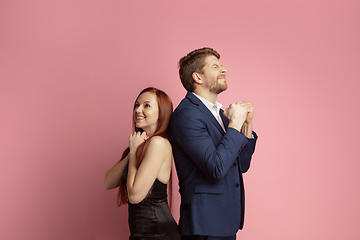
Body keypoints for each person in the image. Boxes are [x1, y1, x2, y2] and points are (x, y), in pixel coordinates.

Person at [169, 47, 258, 240]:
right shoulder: (186, 116)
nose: (223, 70)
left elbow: (241, 165)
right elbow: (216, 167)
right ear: (197, 77)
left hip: (225, 222)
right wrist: (234, 124)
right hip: (204, 226)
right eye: (215, 66)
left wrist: (246, 126)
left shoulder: (219, 115)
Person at [104, 87, 181, 240]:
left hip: (159, 233)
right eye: (137, 105)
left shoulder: (159, 143)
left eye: (146, 105)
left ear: (161, 113)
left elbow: (134, 196)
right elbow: (108, 182)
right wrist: (133, 151)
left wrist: (133, 153)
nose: (138, 110)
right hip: (142, 234)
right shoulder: (140, 146)